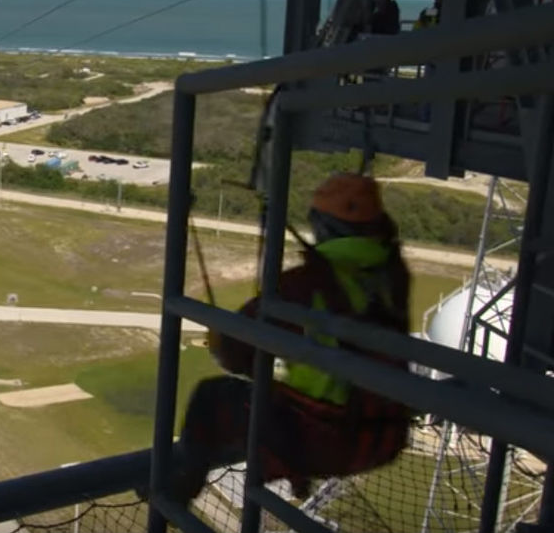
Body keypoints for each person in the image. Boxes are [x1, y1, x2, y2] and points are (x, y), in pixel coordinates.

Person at [170, 173, 413, 503]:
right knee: (290, 388)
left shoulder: (302, 285)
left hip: (323, 440)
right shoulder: (394, 276)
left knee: (211, 396)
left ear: (323, 225)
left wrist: (221, 343)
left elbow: (235, 354)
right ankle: (297, 478)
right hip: (382, 437)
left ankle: (179, 490)